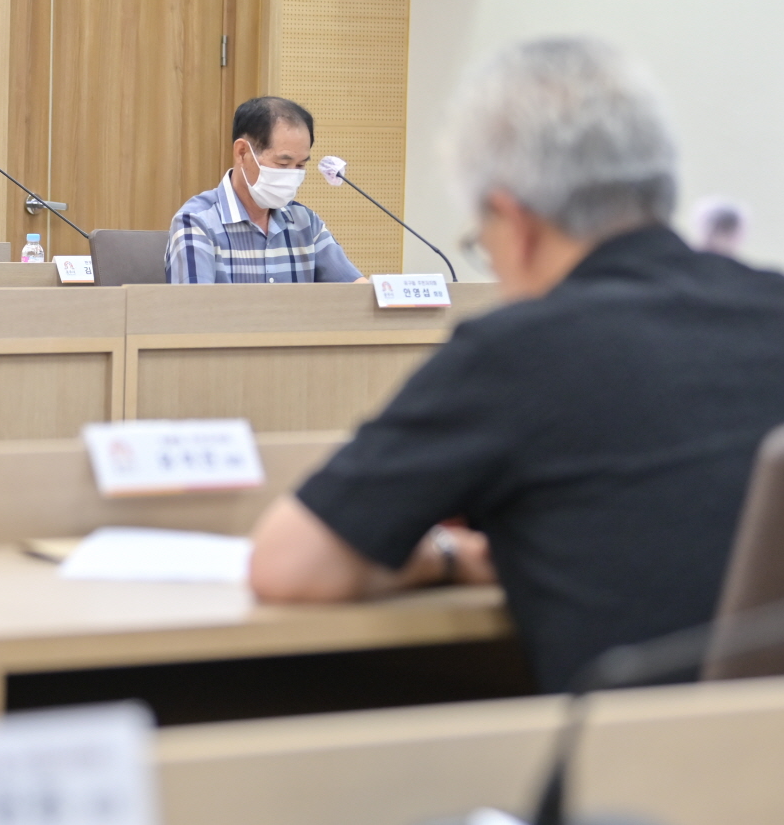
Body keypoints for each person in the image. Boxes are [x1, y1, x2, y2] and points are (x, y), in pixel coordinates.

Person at [248, 38, 784, 693]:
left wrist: (451, 557)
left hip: (637, 750)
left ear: (514, 221)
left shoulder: (518, 352)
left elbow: (289, 565)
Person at [166, 97, 363, 284]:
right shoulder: (197, 222)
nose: (292, 175)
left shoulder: (306, 222)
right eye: (283, 164)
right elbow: (193, 306)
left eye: (300, 165)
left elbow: (356, 290)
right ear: (242, 153)